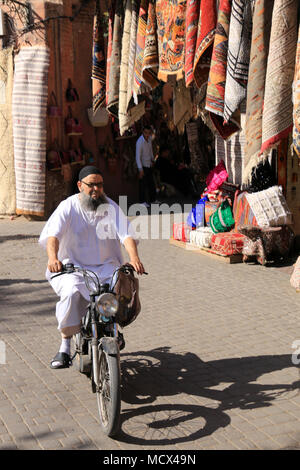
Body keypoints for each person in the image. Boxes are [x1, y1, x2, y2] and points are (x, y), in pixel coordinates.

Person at [39, 165, 145, 369]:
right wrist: (53, 258)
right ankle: (65, 346)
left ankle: (113, 327)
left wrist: (134, 258)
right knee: (70, 293)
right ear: (80, 186)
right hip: (74, 267)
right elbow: (53, 236)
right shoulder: (68, 206)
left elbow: (127, 235)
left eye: (100, 185)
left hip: (106, 265)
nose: (96, 189)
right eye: (91, 185)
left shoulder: (111, 207)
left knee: (120, 288)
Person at [135, 125, 157, 207]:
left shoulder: (149, 139)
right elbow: (137, 156)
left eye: (148, 133)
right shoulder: (139, 142)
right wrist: (140, 169)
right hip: (143, 165)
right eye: (145, 133)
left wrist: (152, 159)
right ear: (143, 132)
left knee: (151, 183)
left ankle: (153, 200)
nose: (147, 135)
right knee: (142, 184)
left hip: (149, 164)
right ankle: (142, 202)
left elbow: (150, 150)